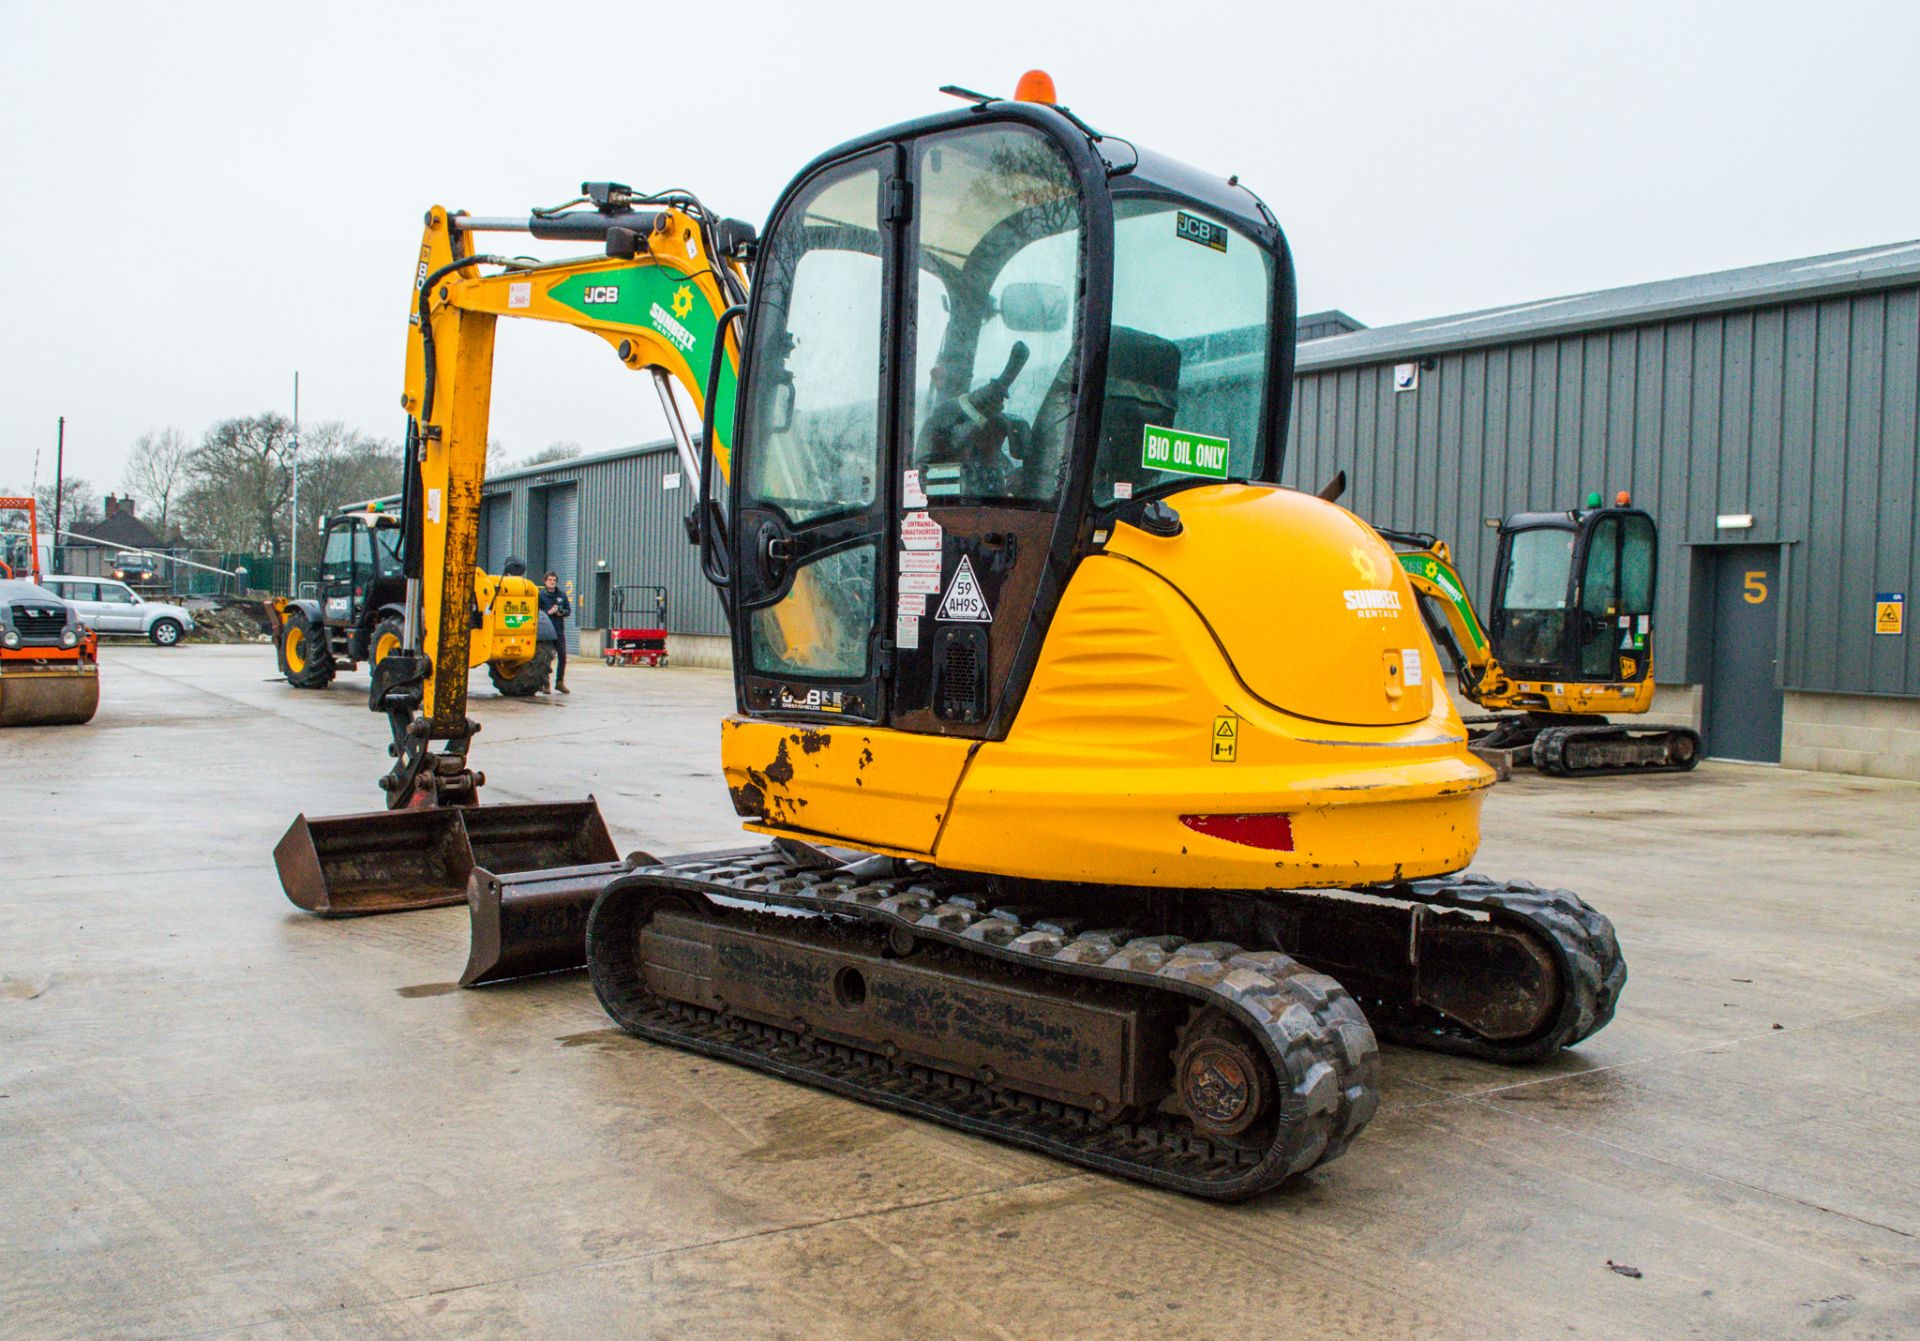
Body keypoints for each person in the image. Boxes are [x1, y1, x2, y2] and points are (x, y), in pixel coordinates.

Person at [539, 571, 572, 693]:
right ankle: (545, 684)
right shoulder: (540, 595)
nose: (552, 582)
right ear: (545, 581)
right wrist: (549, 612)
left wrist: (561, 612)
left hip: (558, 629)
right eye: (550, 580)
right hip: (545, 631)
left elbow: (568, 610)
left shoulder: (562, 595)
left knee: (562, 656)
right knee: (545, 658)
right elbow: (537, 612)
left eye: (554, 580)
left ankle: (559, 682)